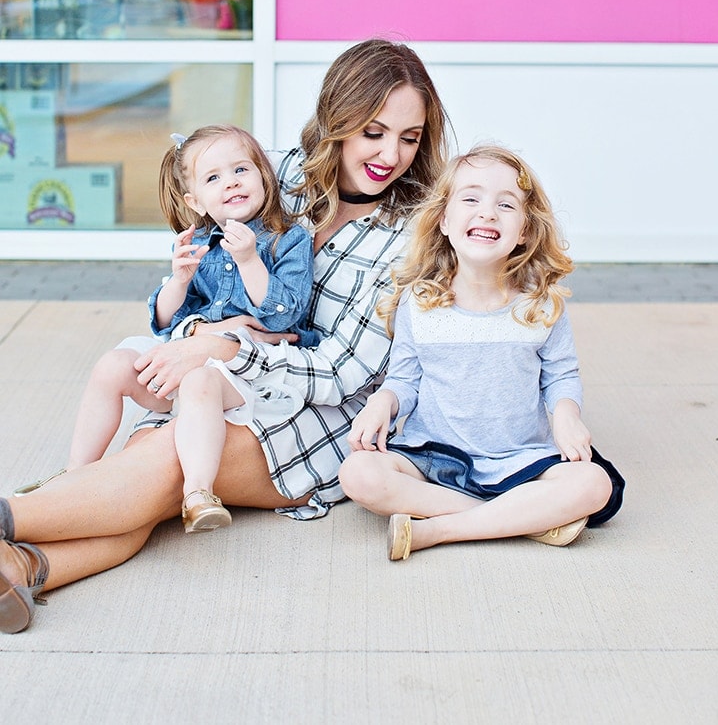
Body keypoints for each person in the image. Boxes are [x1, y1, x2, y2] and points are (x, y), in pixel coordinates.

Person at [0, 37, 450, 634]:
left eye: (410, 137)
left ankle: (11, 520)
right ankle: (26, 565)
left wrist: (223, 346)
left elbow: (347, 372)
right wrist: (196, 328)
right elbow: (199, 220)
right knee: (153, 475)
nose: (390, 154)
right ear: (338, 120)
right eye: (373, 131)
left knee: (161, 463)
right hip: (222, 382)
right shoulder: (278, 175)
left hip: (320, 419)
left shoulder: (412, 229)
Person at [13, 125, 317, 535]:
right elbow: (164, 323)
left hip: (253, 376)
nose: (231, 182)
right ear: (196, 201)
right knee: (112, 365)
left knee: (199, 384)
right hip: (188, 356)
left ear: (263, 176)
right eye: (213, 178)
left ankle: (198, 493)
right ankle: (76, 474)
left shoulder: (288, 240)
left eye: (241, 170)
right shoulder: (201, 245)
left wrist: (249, 261)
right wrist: (178, 280)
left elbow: (282, 317)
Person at [339, 144, 624, 561]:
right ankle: (520, 520)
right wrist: (383, 402)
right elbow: (404, 378)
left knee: (593, 484)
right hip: (434, 457)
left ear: (525, 229)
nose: (487, 212)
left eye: (506, 204)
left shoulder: (541, 305)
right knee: (359, 474)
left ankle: (440, 529)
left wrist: (566, 415)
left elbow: (560, 376)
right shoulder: (419, 303)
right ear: (443, 220)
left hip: (519, 459)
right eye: (470, 199)